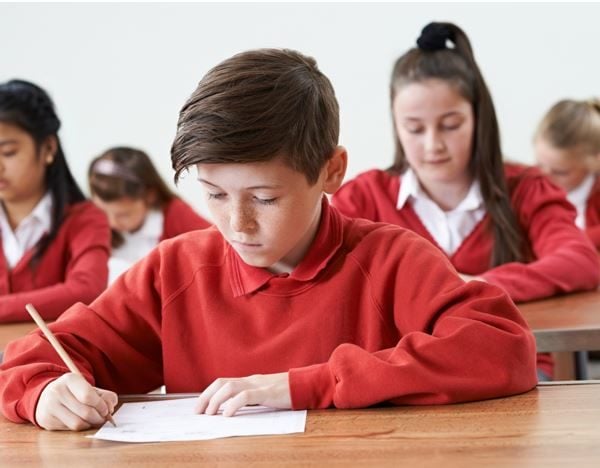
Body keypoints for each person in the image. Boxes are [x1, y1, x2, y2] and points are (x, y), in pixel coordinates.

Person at [0, 49, 537, 431]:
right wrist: (44, 392)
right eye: (213, 194)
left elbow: (504, 348)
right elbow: (31, 361)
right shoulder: (174, 270)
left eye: (264, 198)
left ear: (332, 172)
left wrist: (301, 386)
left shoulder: (389, 259)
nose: (237, 224)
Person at [332, 22, 600, 381]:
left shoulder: (526, 187)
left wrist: (476, 284)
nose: (432, 145)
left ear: (478, 118)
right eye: (414, 128)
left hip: (515, 374)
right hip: (406, 381)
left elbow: (579, 261)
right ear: (395, 124)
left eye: (450, 125)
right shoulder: (362, 198)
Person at [0, 79, 110, 323]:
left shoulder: (85, 219)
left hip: (48, 358)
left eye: (8, 152)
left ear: (48, 147)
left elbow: (86, 290)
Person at [88, 146, 210, 283]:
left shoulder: (175, 215)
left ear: (150, 195)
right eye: (103, 213)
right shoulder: (92, 225)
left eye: (124, 215)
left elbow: (215, 246)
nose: (112, 223)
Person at [534, 98, 600, 248]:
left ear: (594, 164)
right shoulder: (530, 189)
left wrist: (573, 242)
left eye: (560, 172)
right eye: (539, 165)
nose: (544, 177)